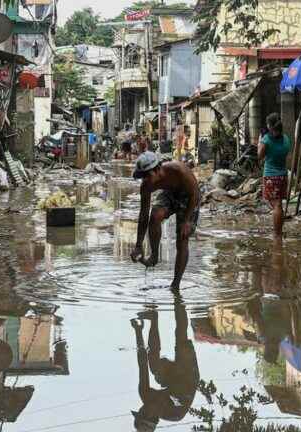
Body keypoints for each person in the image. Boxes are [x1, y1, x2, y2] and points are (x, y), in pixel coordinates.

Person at [130, 152, 200, 291]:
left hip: (189, 198)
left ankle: (175, 284)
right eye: (143, 176)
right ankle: (155, 256)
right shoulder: (146, 185)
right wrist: (138, 245)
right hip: (169, 194)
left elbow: (194, 194)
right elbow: (143, 215)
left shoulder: (178, 170)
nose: (145, 180)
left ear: (157, 169)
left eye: (147, 175)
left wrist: (186, 221)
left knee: (182, 237)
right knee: (155, 215)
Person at [130, 295, 199, 431]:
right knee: (180, 337)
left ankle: (153, 318)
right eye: (143, 412)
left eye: (140, 410)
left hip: (171, 381)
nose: (142, 407)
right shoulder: (175, 413)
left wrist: (138, 332)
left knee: (154, 365)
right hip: (188, 378)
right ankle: (179, 302)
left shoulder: (145, 395)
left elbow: (142, 364)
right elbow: (187, 388)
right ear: (153, 416)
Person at [257, 113, 291, 238]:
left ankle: (277, 235)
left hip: (271, 176)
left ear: (270, 126)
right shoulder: (286, 139)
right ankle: (279, 231)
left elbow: (259, 156)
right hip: (283, 175)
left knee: (276, 206)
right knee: (279, 204)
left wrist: (260, 141)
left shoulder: (266, 139)